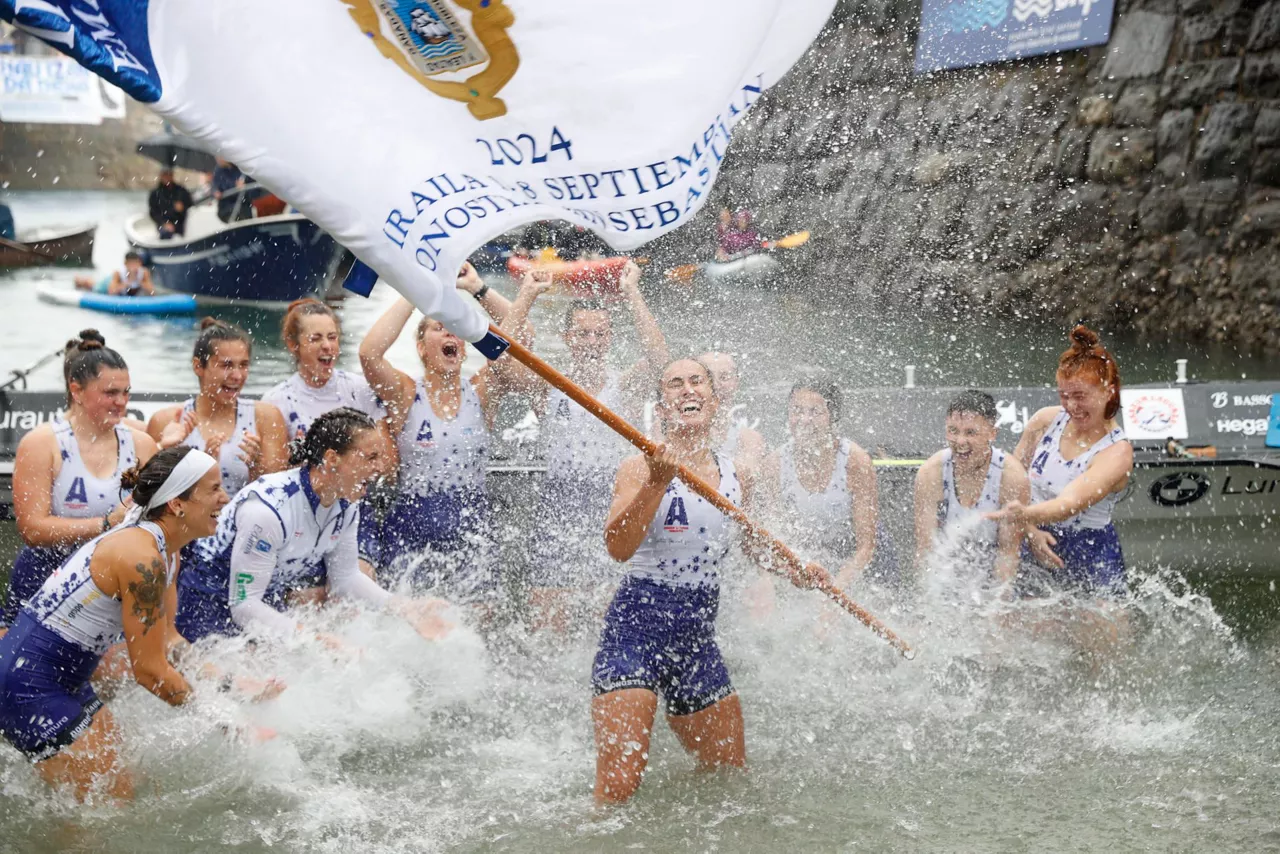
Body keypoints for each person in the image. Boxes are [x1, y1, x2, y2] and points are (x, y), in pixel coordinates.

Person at [591, 358, 829, 805]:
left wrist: (797, 569)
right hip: (634, 632)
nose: (687, 389)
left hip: (696, 638)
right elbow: (618, 548)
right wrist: (656, 484)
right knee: (619, 786)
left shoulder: (739, 474)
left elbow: (755, 546)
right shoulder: (638, 464)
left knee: (727, 779)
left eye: (697, 381)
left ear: (715, 402)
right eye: (675, 383)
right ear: (662, 405)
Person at [0, 447, 276, 800]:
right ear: (177, 504)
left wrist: (229, 684)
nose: (225, 498)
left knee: (122, 783)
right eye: (213, 489)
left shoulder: (163, 546)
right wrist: (228, 722)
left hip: (59, 679)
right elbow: (149, 672)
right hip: (26, 684)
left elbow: (167, 641)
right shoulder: (141, 557)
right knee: (107, 808)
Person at [176, 409, 450, 643]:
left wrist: (404, 608)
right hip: (205, 600)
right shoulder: (269, 511)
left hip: (263, 597)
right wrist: (316, 640)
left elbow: (345, 579)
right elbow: (244, 606)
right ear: (332, 460)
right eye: (371, 457)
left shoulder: (346, 504)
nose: (381, 467)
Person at [500, 260, 669, 631]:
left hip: (610, 505)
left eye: (600, 335)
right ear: (567, 338)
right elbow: (503, 366)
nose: (591, 343)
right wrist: (526, 295)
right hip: (557, 508)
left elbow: (661, 363)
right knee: (548, 625)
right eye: (583, 334)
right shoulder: (550, 384)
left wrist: (632, 293)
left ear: (609, 340)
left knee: (603, 622)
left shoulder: (623, 386)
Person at [356, 265, 515, 604]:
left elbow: (516, 344)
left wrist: (478, 289)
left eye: (457, 330)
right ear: (420, 347)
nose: (450, 336)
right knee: (411, 625)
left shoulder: (482, 392)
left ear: (466, 346)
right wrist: (415, 291)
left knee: (474, 627)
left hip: (471, 524)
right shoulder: (404, 394)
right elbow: (369, 353)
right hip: (411, 525)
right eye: (439, 329)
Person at [2, 332, 158, 634]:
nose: (122, 402)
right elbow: (33, 530)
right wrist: (105, 524)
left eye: (126, 392)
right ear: (76, 390)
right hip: (48, 571)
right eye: (111, 393)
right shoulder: (41, 443)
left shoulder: (141, 444)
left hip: (112, 574)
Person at [992, 326, 1134, 595]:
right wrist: (1030, 529)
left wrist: (1021, 515)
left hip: (1090, 552)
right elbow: (1010, 478)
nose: (1071, 406)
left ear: (1109, 391)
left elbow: (1068, 504)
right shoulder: (1045, 420)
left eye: (1080, 396)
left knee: (1102, 631)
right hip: (1030, 536)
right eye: (1064, 395)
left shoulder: (1117, 452)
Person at [759, 376, 893, 590]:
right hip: (811, 559)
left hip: (860, 559)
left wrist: (835, 593)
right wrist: (791, 573)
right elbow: (771, 540)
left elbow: (866, 547)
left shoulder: (855, 462)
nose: (804, 419)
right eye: (797, 410)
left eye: (815, 412)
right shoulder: (774, 465)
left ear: (833, 418)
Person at [148, 319, 289, 499]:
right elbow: (152, 497)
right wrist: (198, 469)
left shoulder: (266, 417)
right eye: (226, 365)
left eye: (244, 365)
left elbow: (277, 497)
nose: (237, 376)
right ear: (198, 366)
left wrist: (256, 466)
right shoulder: (165, 421)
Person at [912, 390, 1030, 584]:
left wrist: (997, 605)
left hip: (994, 559)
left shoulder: (1012, 477)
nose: (960, 441)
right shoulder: (930, 473)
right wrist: (929, 604)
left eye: (970, 432)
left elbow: (1007, 554)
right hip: (948, 562)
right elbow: (926, 550)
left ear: (992, 434)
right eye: (953, 430)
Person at [262, 298, 383, 440]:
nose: (327, 346)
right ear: (293, 345)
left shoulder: (360, 389)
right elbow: (273, 461)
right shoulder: (276, 401)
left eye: (332, 337)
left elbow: (387, 456)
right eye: (315, 338)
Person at [699, 351, 767, 474]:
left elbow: (742, 487)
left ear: (736, 382)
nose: (715, 385)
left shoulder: (749, 440)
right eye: (708, 377)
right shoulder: (670, 431)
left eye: (724, 377)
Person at [74, 251, 155, 296]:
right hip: (109, 282)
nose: (133, 267)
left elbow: (152, 292)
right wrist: (126, 284)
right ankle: (80, 280)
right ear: (125, 264)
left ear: (140, 263)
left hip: (121, 286)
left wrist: (141, 282)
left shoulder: (143, 272)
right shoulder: (119, 273)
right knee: (95, 287)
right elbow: (111, 291)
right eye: (131, 264)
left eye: (135, 264)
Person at [147, 168, 193, 239]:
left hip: (180, 223)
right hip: (164, 224)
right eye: (164, 175)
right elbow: (153, 213)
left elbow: (190, 204)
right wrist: (164, 223)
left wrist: (182, 208)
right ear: (161, 176)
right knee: (166, 233)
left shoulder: (181, 190)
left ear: (172, 175)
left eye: (169, 174)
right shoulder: (155, 194)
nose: (167, 177)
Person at [211, 157, 246, 223]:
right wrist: (215, 192)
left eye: (219, 156)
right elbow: (214, 185)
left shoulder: (241, 169)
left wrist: (242, 185)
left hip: (242, 207)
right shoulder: (218, 170)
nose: (217, 158)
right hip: (225, 208)